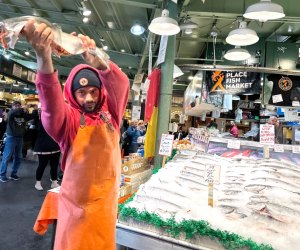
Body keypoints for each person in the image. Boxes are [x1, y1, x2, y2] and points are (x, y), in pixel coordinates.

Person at [22, 19, 129, 249]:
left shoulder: (111, 114)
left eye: (93, 91)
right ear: (72, 94)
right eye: (81, 93)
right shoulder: (68, 121)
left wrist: (101, 64)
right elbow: (50, 105)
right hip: (76, 213)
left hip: (105, 210)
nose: (89, 98)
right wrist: (44, 56)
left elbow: (121, 84)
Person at [33, 106, 61, 191]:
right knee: (42, 165)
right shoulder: (40, 119)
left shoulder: (56, 119)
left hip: (55, 145)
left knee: (54, 165)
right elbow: (37, 128)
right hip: (43, 146)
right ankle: (38, 182)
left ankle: (54, 181)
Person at [0, 101, 28, 182]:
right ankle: (2, 175)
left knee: (18, 157)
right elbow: (15, 111)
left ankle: (13, 174)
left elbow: (30, 117)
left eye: (19, 105)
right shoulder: (10, 113)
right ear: (12, 107)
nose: (18, 107)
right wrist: (22, 108)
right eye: (16, 105)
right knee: (7, 156)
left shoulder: (22, 114)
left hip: (20, 138)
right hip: (11, 137)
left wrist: (36, 110)